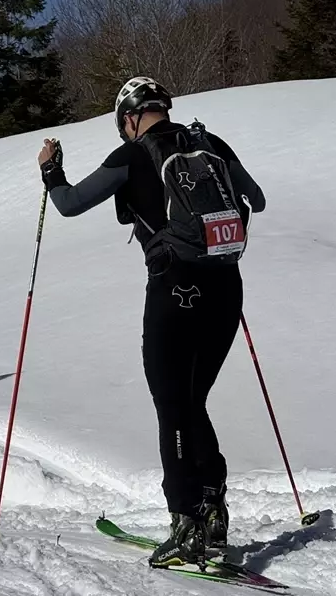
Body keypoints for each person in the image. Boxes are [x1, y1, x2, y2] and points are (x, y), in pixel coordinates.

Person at [36, 77, 266, 568]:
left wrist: (50, 170)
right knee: (193, 400)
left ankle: (186, 523)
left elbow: (70, 204)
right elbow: (258, 199)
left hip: (175, 288)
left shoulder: (133, 154)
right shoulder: (210, 143)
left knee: (171, 405)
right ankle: (213, 511)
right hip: (226, 288)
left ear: (130, 118)